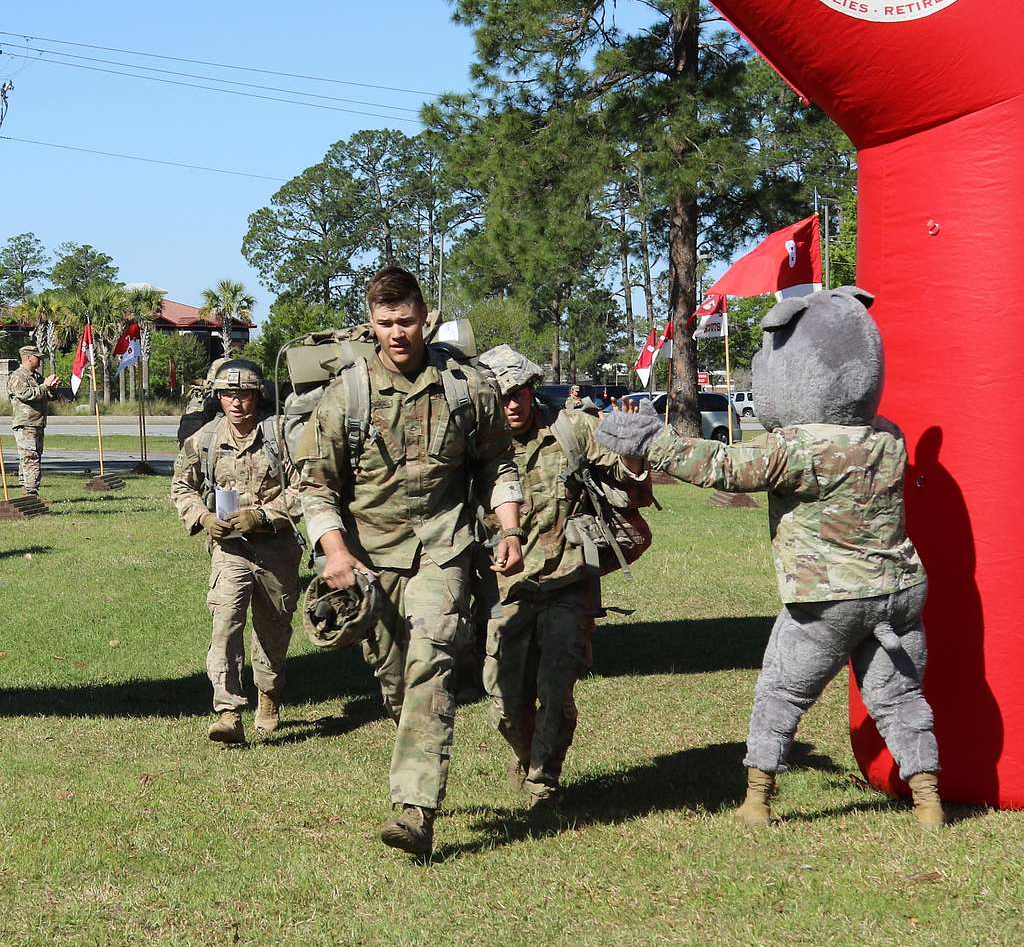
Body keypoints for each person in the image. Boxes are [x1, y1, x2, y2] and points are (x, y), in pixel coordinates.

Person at [596, 287, 945, 830]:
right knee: (899, 696)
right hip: (898, 593)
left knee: (781, 692)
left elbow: (726, 468)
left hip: (826, 598)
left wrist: (652, 441)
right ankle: (929, 801)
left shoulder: (797, 446)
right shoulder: (889, 439)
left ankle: (757, 798)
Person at [295, 266, 525, 857]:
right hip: (369, 561)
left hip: (444, 548)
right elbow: (315, 487)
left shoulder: (465, 386)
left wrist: (509, 527)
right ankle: (415, 753)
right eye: (385, 322)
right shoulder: (347, 394)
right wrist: (336, 553)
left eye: (407, 320)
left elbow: (497, 464)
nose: (397, 333)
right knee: (397, 681)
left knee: (433, 662)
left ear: (427, 317)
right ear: (371, 324)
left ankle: (415, 811)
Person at [475, 345, 650, 807]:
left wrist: (632, 451)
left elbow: (627, 475)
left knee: (555, 687)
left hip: (567, 582)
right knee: (506, 704)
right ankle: (529, 751)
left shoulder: (570, 430)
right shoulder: (475, 447)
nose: (513, 403)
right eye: (503, 394)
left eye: (521, 392)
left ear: (534, 391)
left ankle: (543, 780)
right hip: (506, 590)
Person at [171, 359, 303, 745]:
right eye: (228, 394)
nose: (236, 402)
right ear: (219, 397)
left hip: (277, 550)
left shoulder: (281, 436)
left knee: (272, 631)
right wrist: (202, 517)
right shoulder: (205, 439)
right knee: (225, 624)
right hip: (229, 551)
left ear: (256, 396)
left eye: (243, 394)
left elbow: (307, 488)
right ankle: (228, 712)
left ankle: (268, 695)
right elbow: (181, 486)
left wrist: (264, 515)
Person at [7, 345, 59, 497]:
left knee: (32, 457)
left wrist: (52, 389)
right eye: (38, 357)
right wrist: (45, 386)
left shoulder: (36, 377)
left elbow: (47, 395)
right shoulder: (18, 376)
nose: (40, 360)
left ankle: (27, 490)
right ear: (28, 358)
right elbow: (26, 394)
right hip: (25, 424)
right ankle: (31, 493)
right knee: (31, 457)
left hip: (37, 423)